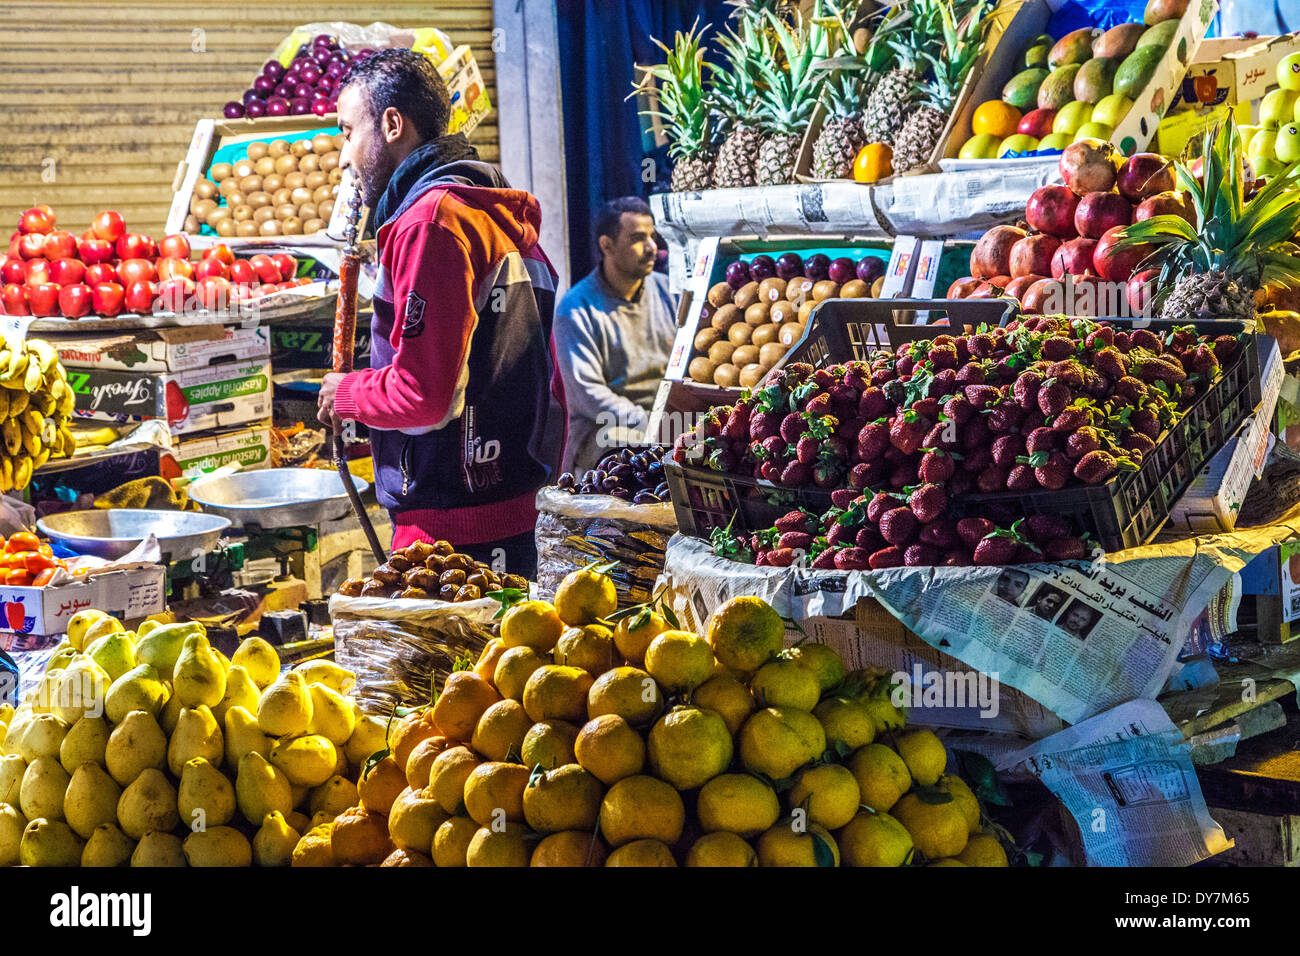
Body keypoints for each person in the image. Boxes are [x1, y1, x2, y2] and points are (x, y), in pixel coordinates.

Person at [317, 49, 566, 579]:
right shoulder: (491, 209)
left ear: (391, 124)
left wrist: (345, 393)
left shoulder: (430, 224)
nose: (343, 156)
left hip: (447, 541)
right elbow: (547, 383)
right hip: (516, 519)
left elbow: (424, 397)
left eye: (345, 132)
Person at [553, 197, 678, 474]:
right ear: (606, 245)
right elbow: (589, 398)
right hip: (606, 438)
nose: (652, 248)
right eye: (637, 238)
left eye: (652, 236)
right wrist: (655, 425)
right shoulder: (575, 309)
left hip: (667, 428)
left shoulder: (669, 292)